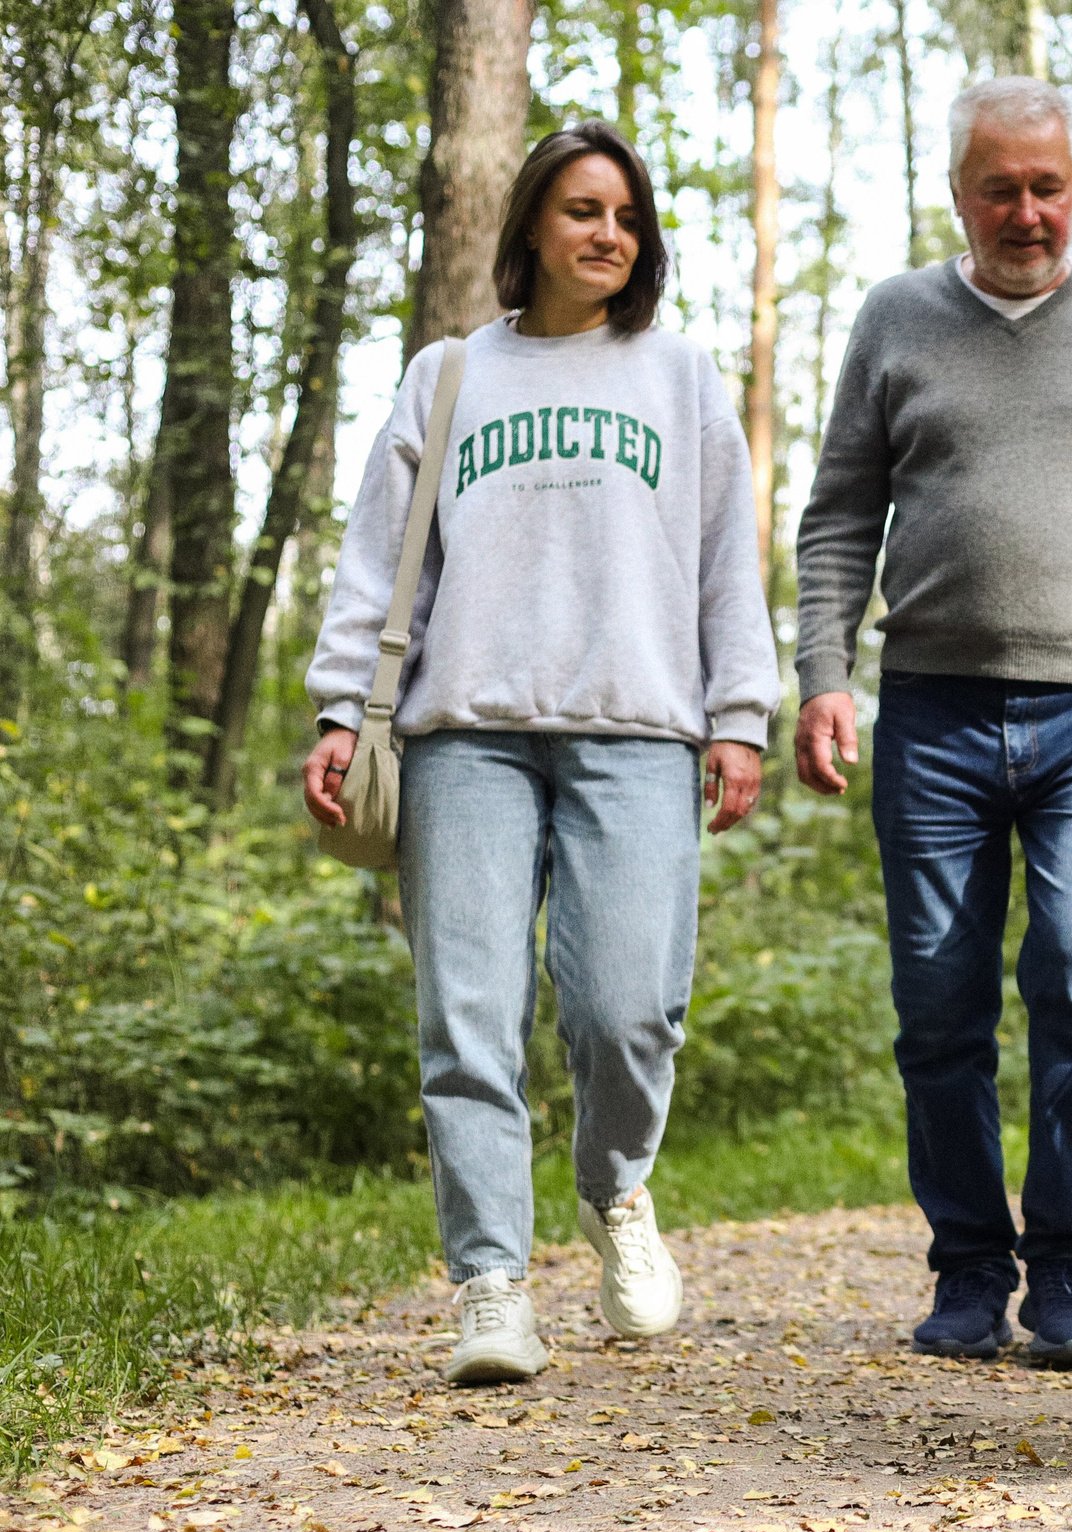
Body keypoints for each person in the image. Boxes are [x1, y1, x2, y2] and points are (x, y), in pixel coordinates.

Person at [304, 123, 780, 1385]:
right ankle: (490, 1283)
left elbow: (730, 563)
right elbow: (376, 561)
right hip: (466, 731)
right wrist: (341, 709)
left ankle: (615, 1188)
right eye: (580, 210)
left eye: (625, 214)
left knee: (630, 1011)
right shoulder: (450, 374)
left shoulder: (678, 377)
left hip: (638, 727)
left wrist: (742, 716)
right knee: (468, 1019)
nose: (606, 235)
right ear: (529, 228)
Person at [794, 77, 1072, 1369]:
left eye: (1049, 187)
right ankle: (969, 1267)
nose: (1029, 212)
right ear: (959, 192)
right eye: (1003, 188)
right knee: (939, 999)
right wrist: (824, 668)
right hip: (929, 706)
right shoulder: (896, 319)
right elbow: (836, 516)